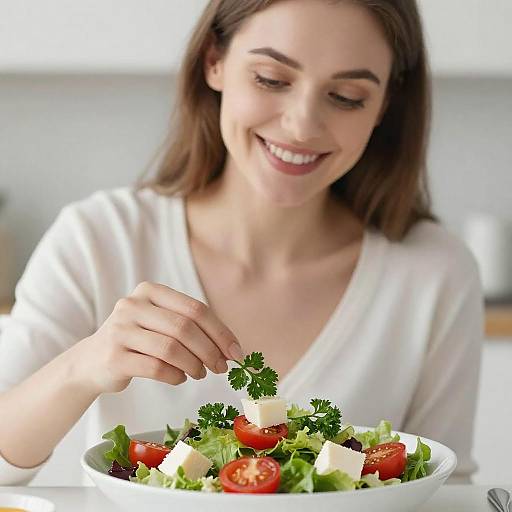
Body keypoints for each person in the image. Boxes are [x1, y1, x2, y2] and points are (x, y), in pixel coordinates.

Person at [0, 0, 483, 486]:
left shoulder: (435, 272)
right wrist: (85, 364)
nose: (301, 125)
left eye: (347, 96)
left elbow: (447, 493)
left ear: (385, 106)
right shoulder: (100, 238)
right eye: (271, 79)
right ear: (214, 61)